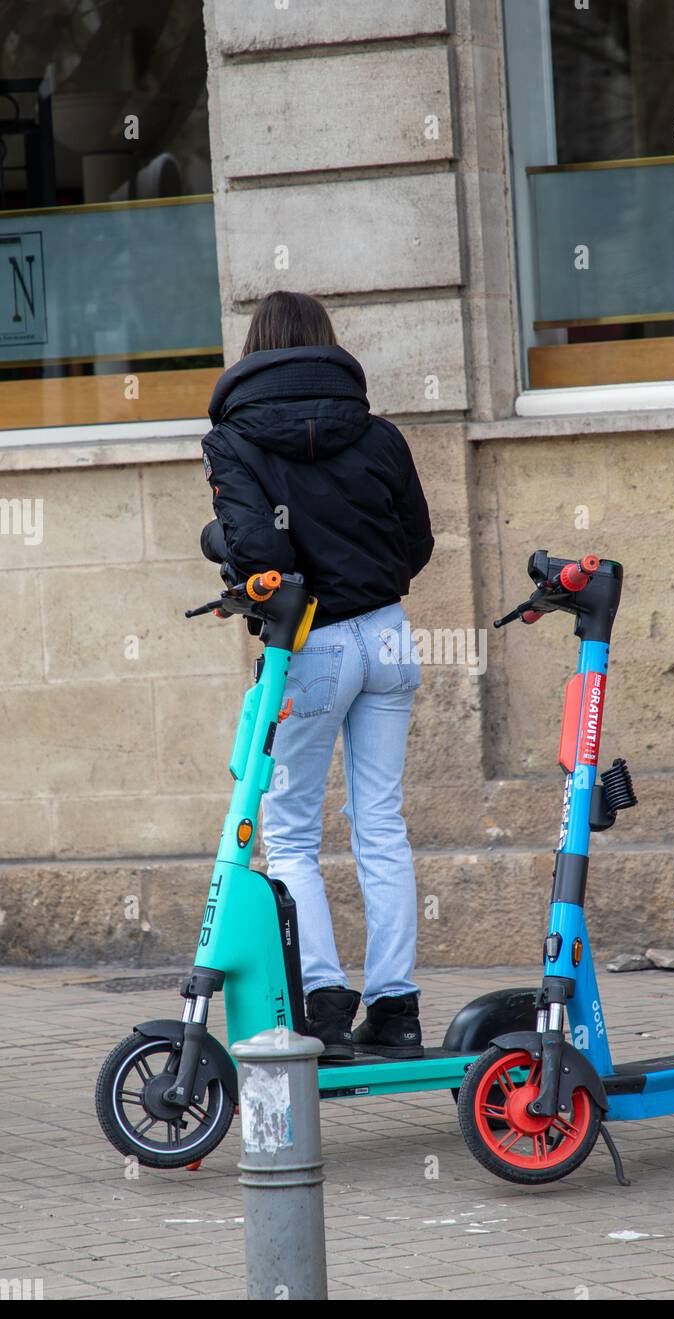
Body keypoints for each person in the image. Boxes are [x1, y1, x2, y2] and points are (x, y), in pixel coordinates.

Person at [199, 291, 434, 1059]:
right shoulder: (379, 434)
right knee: (382, 826)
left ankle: (326, 1005)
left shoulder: (234, 439)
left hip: (311, 645)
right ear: (327, 348)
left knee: (292, 832)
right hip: (390, 637)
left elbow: (258, 558)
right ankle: (397, 1012)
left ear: (257, 349)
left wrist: (226, 547)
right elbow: (417, 544)